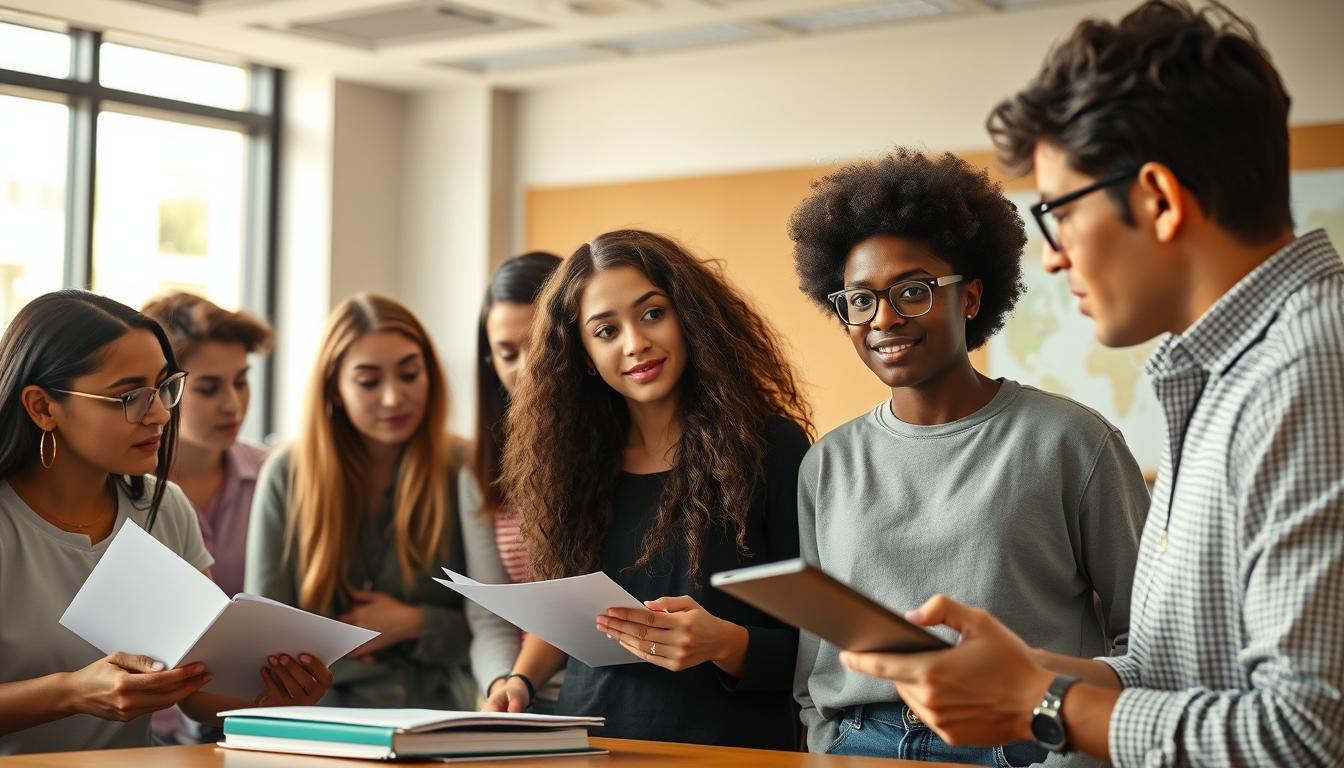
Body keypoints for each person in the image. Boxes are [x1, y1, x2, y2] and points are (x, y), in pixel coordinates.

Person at [838, 3, 1344, 766]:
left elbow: (1305, 737)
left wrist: (1040, 705)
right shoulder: (1219, 376)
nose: (1052, 256)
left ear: (1159, 200)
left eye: (1059, 214)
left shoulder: (1310, 371)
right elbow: (1178, 673)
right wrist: (1032, 674)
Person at [787, 148, 1148, 766]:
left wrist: (1065, 749)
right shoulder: (829, 462)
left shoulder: (1072, 442)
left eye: (914, 291)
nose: (885, 319)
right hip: (859, 746)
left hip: (1018, 744)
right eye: (860, 300)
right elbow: (816, 658)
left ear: (973, 297)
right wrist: (826, 741)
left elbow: (1146, 641)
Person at [485, 230, 813, 750]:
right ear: (584, 354)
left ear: (690, 317)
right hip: (590, 743)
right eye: (606, 330)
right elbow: (571, 615)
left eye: (652, 313)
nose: (635, 343)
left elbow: (817, 645)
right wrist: (518, 680)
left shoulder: (770, 448)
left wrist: (725, 643)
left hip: (728, 748)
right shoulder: (573, 462)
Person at [0, 291, 329, 754]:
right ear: (42, 407)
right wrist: (71, 692)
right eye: (130, 396)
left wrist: (273, 697)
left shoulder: (165, 507)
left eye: (165, 387)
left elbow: (198, 693)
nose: (159, 413)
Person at [246, 293, 506, 708]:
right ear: (334, 387)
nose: (393, 398)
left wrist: (415, 623)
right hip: (319, 720)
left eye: (409, 374)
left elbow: (498, 629)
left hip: (435, 718)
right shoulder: (286, 472)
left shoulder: (466, 465)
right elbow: (265, 632)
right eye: (369, 381)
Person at [140, 292, 274, 744]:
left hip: (244, 716)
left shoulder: (272, 478)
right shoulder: (122, 489)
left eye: (242, 381)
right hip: (143, 725)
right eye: (209, 387)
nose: (233, 405)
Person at [459, 251, 566, 708]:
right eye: (507, 353)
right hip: (524, 697)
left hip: (601, 690)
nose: (526, 369)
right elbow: (490, 616)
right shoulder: (482, 467)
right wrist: (501, 682)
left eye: (541, 345)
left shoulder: (626, 449)